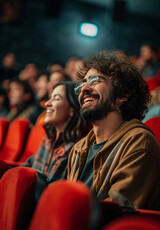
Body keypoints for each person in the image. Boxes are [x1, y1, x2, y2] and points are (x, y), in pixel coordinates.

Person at [67, 50, 160, 210]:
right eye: (82, 85)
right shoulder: (78, 148)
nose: (84, 89)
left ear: (122, 94)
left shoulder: (139, 142)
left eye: (95, 80)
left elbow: (116, 214)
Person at [23, 81, 89, 185]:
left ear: (72, 108)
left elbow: (48, 190)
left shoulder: (74, 149)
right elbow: (29, 164)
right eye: (50, 98)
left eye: (56, 98)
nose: (47, 103)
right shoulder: (48, 139)